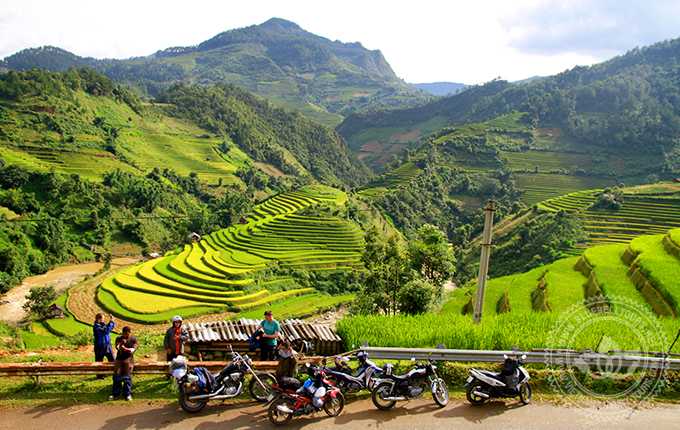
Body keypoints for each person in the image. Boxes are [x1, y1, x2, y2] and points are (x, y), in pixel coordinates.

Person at [110, 326, 138, 401]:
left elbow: (133, 349)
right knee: (116, 375)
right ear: (123, 333)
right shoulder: (119, 338)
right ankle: (116, 393)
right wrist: (121, 345)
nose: (127, 335)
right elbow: (118, 347)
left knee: (127, 377)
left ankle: (127, 394)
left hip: (129, 359)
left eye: (128, 333)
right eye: (125, 333)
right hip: (119, 359)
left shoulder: (133, 339)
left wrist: (126, 349)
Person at [93, 313, 115, 379]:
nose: (103, 320)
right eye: (102, 318)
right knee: (99, 361)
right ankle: (100, 375)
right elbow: (106, 331)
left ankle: (113, 372)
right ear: (99, 319)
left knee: (112, 360)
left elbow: (110, 328)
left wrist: (111, 322)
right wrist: (111, 321)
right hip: (100, 346)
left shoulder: (102, 324)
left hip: (108, 345)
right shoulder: (96, 326)